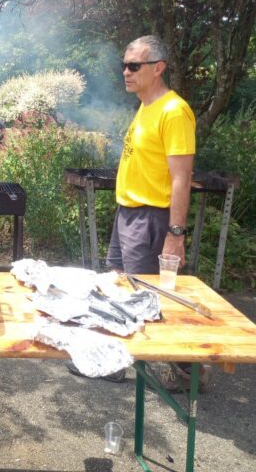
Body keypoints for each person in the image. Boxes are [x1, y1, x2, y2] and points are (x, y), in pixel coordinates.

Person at [67, 35, 203, 390]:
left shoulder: (174, 111)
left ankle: (189, 373)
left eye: (134, 66)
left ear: (158, 68)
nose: (125, 72)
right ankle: (113, 361)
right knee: (116, 286)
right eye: (124, 65)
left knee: (148, 296)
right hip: (128, 213)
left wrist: (175, 235)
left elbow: (181, 177)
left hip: (152, 218)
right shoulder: (146, 106)